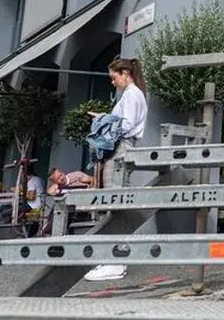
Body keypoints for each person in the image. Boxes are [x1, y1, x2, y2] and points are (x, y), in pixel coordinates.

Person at [85, 57, 147, 282]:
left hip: (121, 149)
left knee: (115, 204)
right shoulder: (134, 93)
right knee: (116, 203)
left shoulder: (131, 94)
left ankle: (116, 261)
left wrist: (105, 120)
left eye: (113, 77)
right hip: (124, 148)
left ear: (124, 73)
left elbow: (127, 124)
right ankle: (114, 258)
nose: (113, 82)